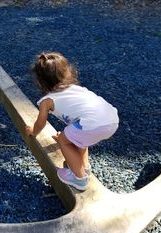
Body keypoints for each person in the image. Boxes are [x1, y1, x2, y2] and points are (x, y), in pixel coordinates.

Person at [25, 52, 119, 190]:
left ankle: (79, 179)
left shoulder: (47, 101)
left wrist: (33, 132)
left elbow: (41, 123)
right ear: (68, 72)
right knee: (79, 138)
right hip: (111, 120)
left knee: (64, 140)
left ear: (41, 81)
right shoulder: (76, 89)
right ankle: (84, 168)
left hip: (92, 124)